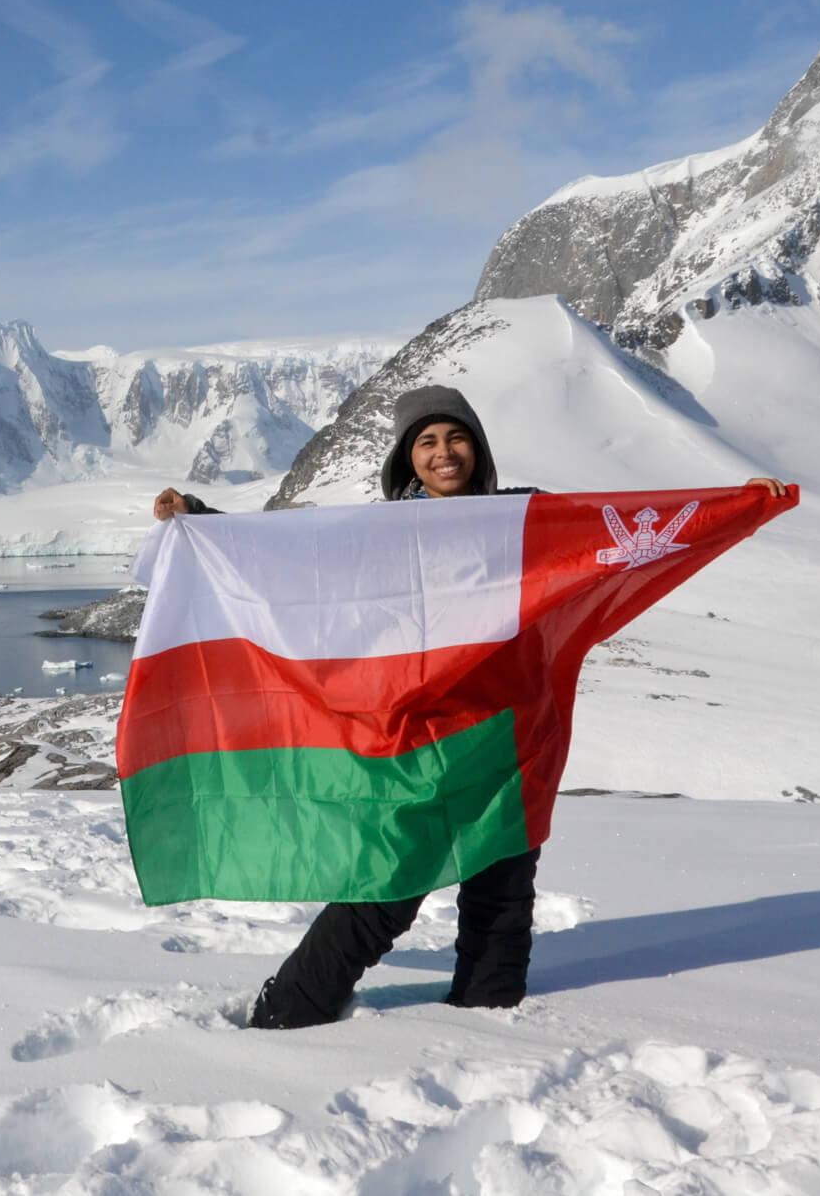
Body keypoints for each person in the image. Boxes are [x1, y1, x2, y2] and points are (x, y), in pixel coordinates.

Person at [150, 384, 787, 1028]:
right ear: (407, 458)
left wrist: (738, 503)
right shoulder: (378, 533)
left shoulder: (524, 520)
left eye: (456, 437)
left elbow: (621, 532)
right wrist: (200, 518)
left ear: (478, 449)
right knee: (386, 883)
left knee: (503, 886)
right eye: (426, 442)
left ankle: (486, 1023)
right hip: (414, 739)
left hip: (509, 734)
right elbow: (290, 565)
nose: (443, 452)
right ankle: (290, 1007)